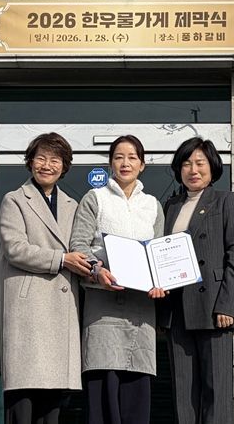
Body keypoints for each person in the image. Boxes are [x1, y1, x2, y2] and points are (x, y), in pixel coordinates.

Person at [69, 135, 165, 424]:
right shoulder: (94, 198)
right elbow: (79, 245)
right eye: (119, 157)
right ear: (110, 163)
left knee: (136, 397)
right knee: (103, 395)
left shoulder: (152, 205)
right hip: (102, 308)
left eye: (132, 157)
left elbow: (158, 254)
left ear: (142, 165)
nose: (125, 163)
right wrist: (97, 269)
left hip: (141, 311)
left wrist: (159, 282)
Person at [0, 133, 92, 424]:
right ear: (30, 162)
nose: (47, 165)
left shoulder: (72, 205)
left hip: (60, 311)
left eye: (55, 160)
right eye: (41, 158)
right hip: (29, 310)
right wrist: (61, 259)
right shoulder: (14, 200)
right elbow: (15, 248)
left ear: (64, 166)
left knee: (52, 406)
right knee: (23, 402)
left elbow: (82, 248)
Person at [158, 137, 234, 424]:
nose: (193, 170)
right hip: (177, 309)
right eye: (186, 164)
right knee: (183, 392)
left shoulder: (225, 200)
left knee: (215, 391)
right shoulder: (171, 205)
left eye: (200, 163)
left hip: (213, 307)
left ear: (212, 167)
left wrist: (227, 305)